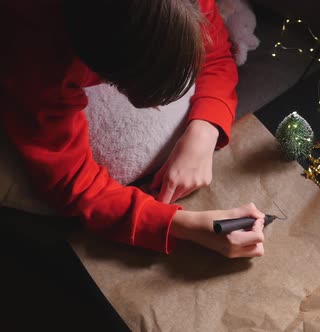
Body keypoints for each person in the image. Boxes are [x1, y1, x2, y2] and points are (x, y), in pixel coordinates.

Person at [0, 0, 265, 258]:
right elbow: (72, 184)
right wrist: (181, 226)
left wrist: (204, 131)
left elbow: (217, 54)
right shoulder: (39, 54)